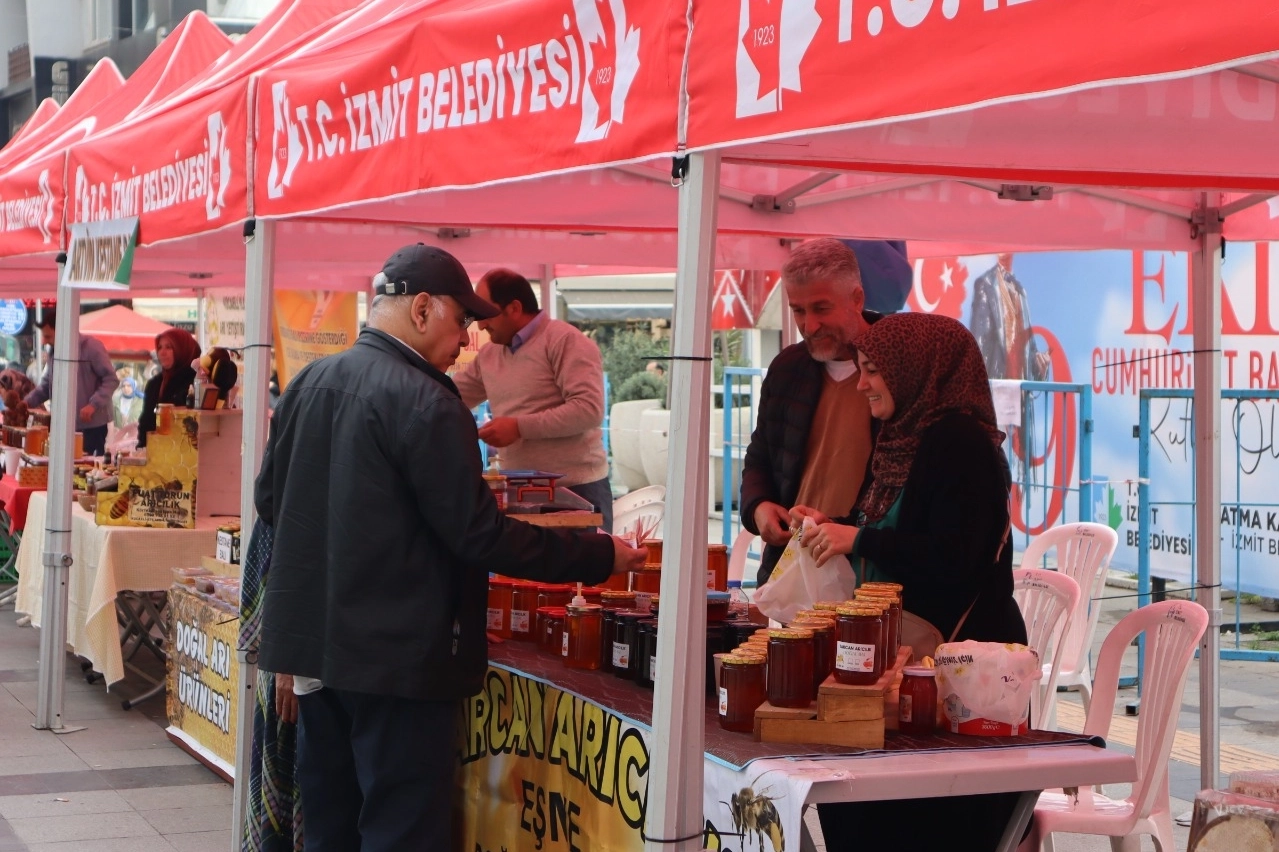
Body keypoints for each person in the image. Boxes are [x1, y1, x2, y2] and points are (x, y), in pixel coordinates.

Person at [256, 243, 644, 852]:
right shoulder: (428, 402)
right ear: (421, 310)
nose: (466, 339)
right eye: (460, 320)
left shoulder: (308, 383)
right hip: (398, 660)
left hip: (319, 653)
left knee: (331, 825)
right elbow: (480, 535)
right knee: (401, 830)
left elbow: (270, 505)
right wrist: (598, 556)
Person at [792, 312, 1027, 852]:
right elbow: (893, 525)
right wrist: (835, 525)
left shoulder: (961, 444)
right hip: (908, 663)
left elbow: (954, 557)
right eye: (861, 369)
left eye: (874, 371)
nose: (862, 384)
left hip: (961, 673)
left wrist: (860, 539)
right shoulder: (904, 437)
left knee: (919, 824)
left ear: (919, 371)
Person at [739, 238, 881, 585]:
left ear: (857, 298)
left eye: (821, 308)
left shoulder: (899, 366)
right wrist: (758, 506)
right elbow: (760, 458)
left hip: (869, 570)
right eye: (798, 310)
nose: (809, 324)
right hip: (793, 569)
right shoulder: (787, 368)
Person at [453, 269, 613, 531]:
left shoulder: (565, 341)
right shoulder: (489, 354)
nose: (480, 325)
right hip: (517, 492)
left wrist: (518, 427)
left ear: (514, 308)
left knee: (584, 560)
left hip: (577, 489)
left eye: (486, 314)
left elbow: (588, 410)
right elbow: (452, 397)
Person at [24, 310, 119, 456]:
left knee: (86, 465)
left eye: (48, 336)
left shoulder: (92, 347)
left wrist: (93, 405)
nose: (43, 341)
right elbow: (46, 385)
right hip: (64, 427)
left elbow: (111, 379)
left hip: (92, 427)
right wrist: (26, 403)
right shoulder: (54, 352)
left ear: (63, 331)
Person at [136, 328, 200, 449]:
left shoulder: (197, 382)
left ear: (182, 349)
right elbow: (146, 421)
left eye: (169, 347)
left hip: (186, 452)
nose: (162, 352)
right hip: (156, 452)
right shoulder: (155, 383)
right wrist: (143, 449)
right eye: (160, 347)